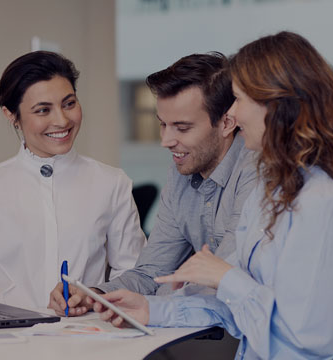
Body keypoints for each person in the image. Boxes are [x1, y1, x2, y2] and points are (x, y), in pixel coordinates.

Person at [93, 32, 333, 359]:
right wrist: (153, 309)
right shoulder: (270, 193)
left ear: (276, 106)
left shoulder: (325, 206)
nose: (234, 113)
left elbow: (309, 337)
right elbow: (239, 305)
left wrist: (225, 277)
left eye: (239, 99)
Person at [48, 52, 258, 316]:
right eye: (162, 125)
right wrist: (94, 295)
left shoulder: (256, 170)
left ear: (227, 123)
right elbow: (152, 273)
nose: (166, 141)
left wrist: (153, 307)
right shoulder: (180, 172)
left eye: (181, 128)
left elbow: (225, 283)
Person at [0, 51, 146, 311]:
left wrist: (92, 296)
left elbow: (135, 273)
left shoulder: (111, 183)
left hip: (85, 339)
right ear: (11, 115)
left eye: (69, 103)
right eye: (43, 110)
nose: (62, 120)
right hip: (9, 340)